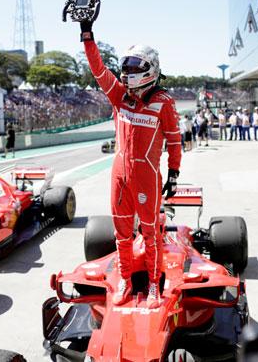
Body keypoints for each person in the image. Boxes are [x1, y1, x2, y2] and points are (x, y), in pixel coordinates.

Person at [79, 17, 182, 308]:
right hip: (119, 176)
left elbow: (174, 140)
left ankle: (153, 286)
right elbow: (98, 69)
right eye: (126, 66)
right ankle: (125, 280)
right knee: (122, 235)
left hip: (147, 177)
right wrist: (87, 34)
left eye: (135, 67)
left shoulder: (164, 102)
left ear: (151, 69)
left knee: (150, 234)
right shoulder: (118, 96)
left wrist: (174, 172)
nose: (128, 72)